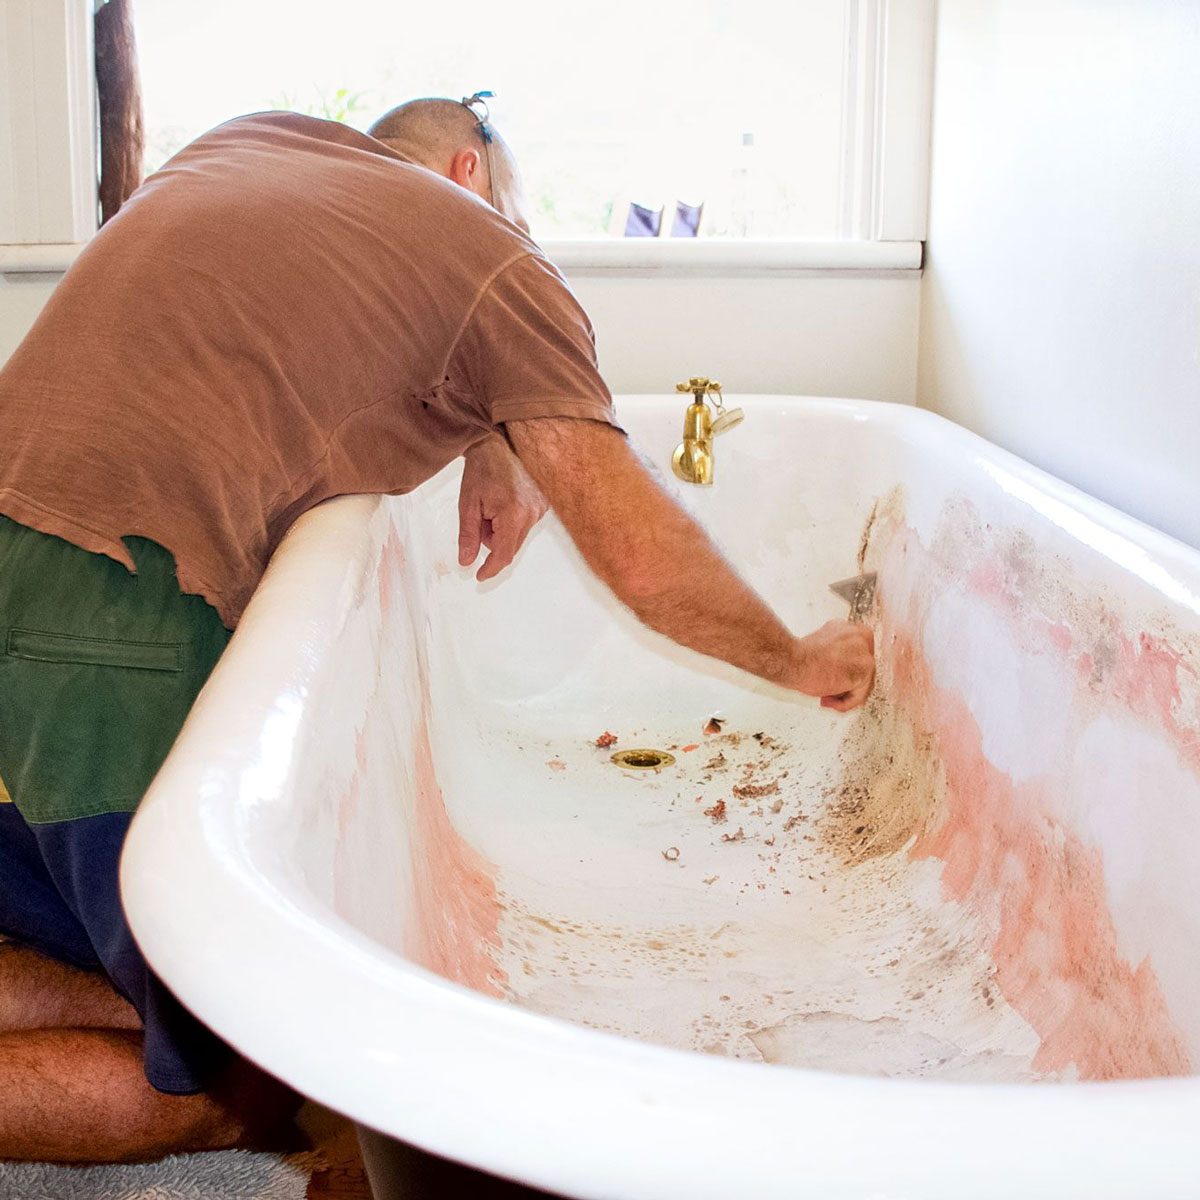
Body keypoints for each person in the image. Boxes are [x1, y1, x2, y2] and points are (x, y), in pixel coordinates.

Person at [0, 96, 875, 1164]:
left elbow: (311, 337)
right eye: (513, 205)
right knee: (237, 1083)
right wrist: (797, 658)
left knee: (99, 934)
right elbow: (639, 552)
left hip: (28, 559)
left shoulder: (251, 140)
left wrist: (489, 441)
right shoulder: (496, 258)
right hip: (109, 611)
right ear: (470, 171)